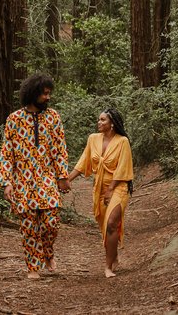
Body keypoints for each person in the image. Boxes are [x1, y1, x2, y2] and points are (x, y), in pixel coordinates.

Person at [0, 73, 71, 279]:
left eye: (49, 93)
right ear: (33, 93)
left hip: (46, 177)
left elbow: (60, 149)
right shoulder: (14, 120)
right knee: (29, 226)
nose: (48, 97)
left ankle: (48, 252)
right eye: (44, 94)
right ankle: (33, 267)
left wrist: (62, 176)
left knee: (51, 222)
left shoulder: (53, 117)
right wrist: (6, 183)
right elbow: (6, 153)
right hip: (23, 181)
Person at [67, 108, 134, 278]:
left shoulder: (122, 141)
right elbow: (83, 162)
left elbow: (123, 168)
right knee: (105, 227)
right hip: (99, 188)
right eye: (99, 119)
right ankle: (114, 256)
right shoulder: (93, 139)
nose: (99, 122)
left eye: (103, 120)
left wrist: (111, 189)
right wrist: (68, 179)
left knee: (112, 223)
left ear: (112, 123)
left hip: (118, 187)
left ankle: (108, 266)